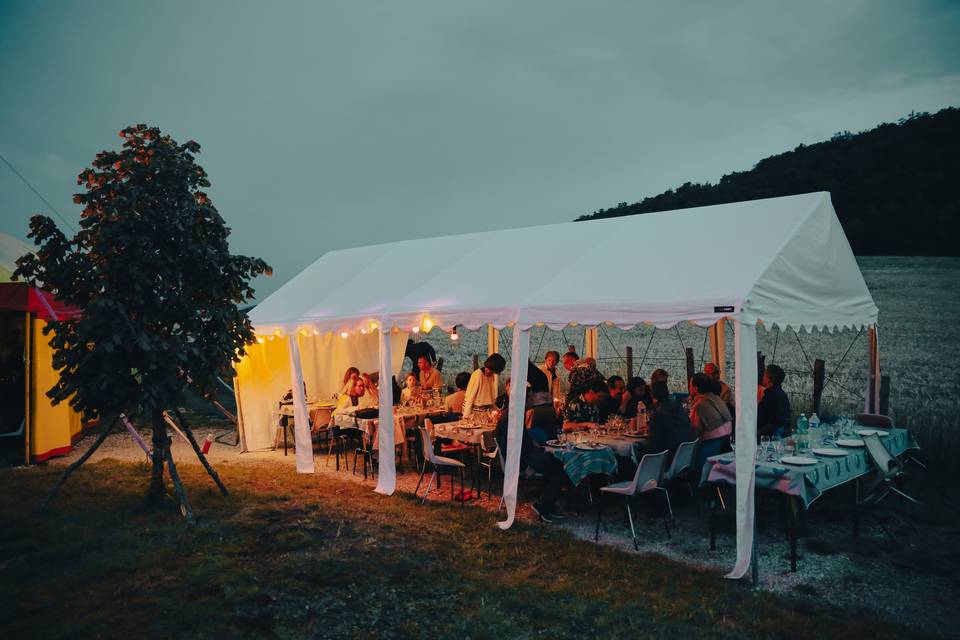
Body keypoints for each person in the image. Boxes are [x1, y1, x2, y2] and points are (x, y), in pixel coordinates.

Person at [495, 395, 572, 523]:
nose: (533, 400)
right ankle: (543, 506)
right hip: (521, 459)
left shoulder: (512, 413)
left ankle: (547, 504)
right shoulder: (512, 417)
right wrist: (525, 466)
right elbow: (507, 445)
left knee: (555, 462)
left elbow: (522, 440)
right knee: (560, 468)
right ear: (524, 399)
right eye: (530, 398)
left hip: (524, 455)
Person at [644, 381, 694, 461]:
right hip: (685, 456)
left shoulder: (658, 415)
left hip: (667, 459)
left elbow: (654, 444)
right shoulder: (680, 409)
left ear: (652, 395)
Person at [688, 373, 732, 440]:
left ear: (695, 389)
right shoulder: (717, 399)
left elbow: (694, 430)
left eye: (690, 386)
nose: (689, 388)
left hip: (709, 444)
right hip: (724, 441)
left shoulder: (699, 405)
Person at [463, 353, 506, 418]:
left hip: (486, 412)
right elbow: (470, 397)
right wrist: (466, 416)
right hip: (475, 413)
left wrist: (497, 410)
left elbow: (490, 398)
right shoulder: (478, 375)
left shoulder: (492, 376)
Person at [757, 364, 791, 438]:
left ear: (768, 379)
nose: (762, 377)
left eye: (765, 374)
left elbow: (774, 422)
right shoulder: (781, 394)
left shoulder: (771, 396)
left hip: (768, 438)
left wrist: (757, 433)